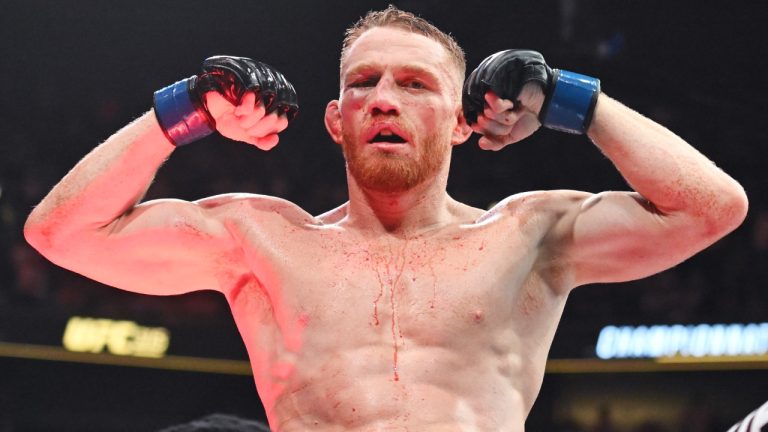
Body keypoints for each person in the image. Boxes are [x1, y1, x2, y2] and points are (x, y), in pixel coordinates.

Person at [24, 6, 748, 432]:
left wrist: (568, 99)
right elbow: (59, 232)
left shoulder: (526, 236)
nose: (383, 99)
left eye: (414, 84)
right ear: (336, 122)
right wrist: (188, 108)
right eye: (364, 83)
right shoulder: (262, 239)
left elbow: (713, 207)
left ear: (464, 122)